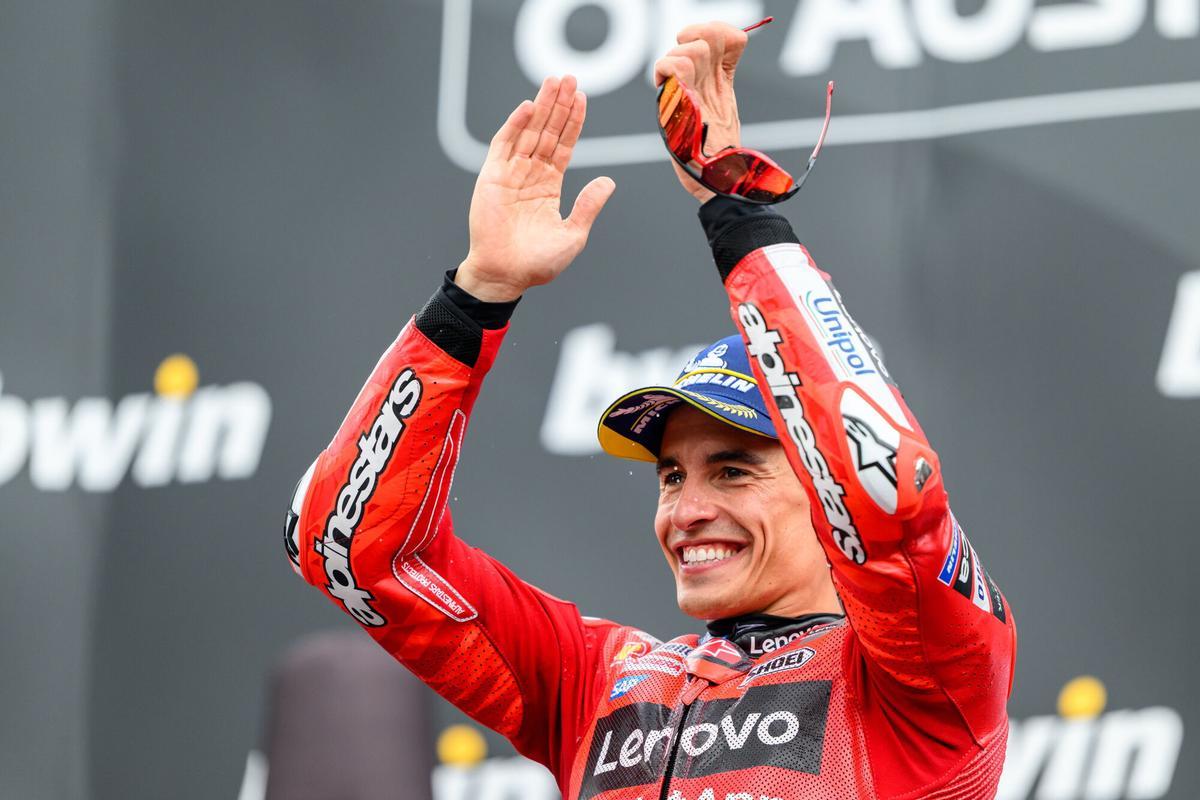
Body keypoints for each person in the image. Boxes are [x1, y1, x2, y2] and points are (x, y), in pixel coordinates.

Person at [285, 21, 1016, 800]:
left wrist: (740, 214)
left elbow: (886, 486)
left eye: (732, 470)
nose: (687, 510)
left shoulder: (924, 679)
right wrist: (475, 297)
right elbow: (351, 546)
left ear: (819, 478)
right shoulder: (596, 682)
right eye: (671, 476)